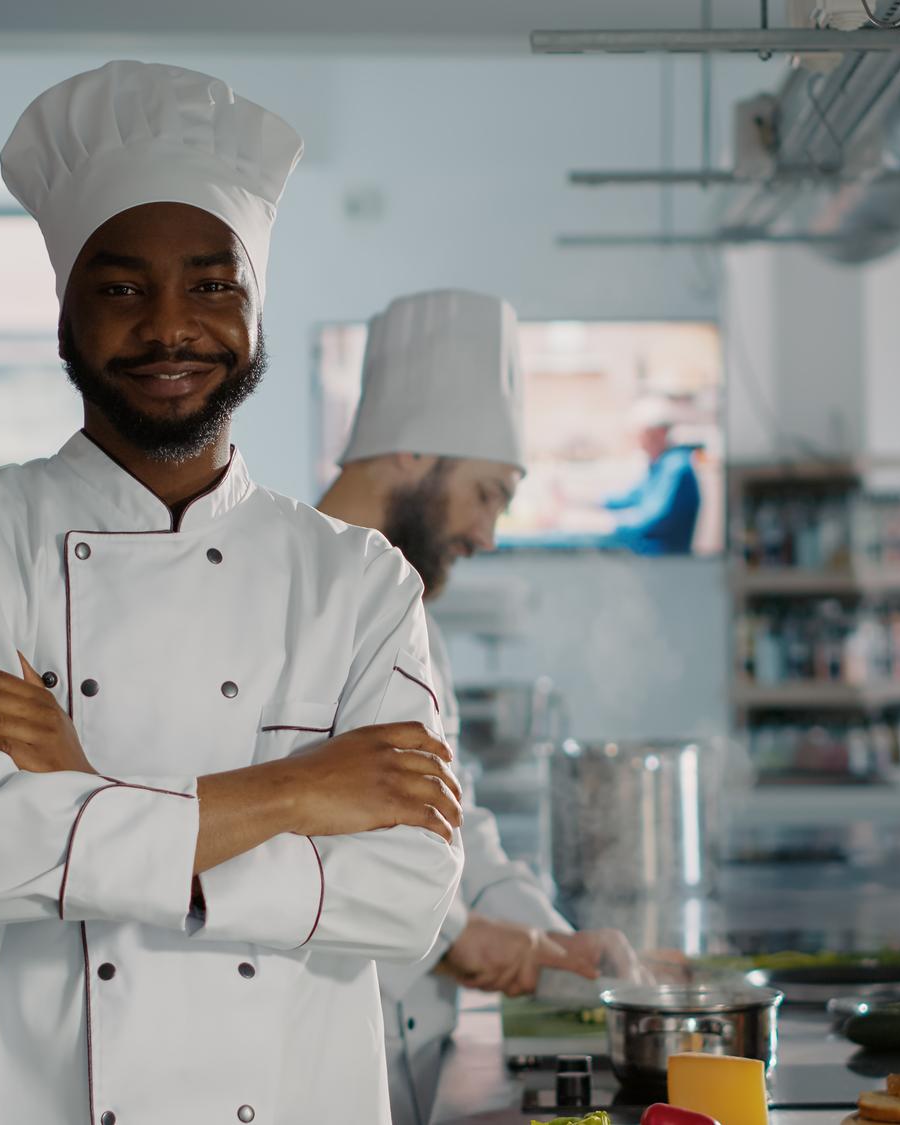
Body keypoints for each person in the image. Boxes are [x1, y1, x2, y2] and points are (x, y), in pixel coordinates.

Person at [0, 63, 466, 1125]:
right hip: (6, 1096)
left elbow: (410, 897)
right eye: (122, 287)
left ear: (254, 303)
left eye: (212, 283)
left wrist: (81, 790)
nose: (170, 327)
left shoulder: (357, 577)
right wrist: (292, 793)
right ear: (66, 311)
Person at [318, 289, 646, 1125]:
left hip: (410, 1047)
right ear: (413, 452)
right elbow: (289, 830)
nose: (490, 533)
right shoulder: (281, 595)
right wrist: (458, 934)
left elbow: (449, 815)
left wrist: (551, 937)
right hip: (313, 1046)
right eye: (489, 493)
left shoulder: (415, 616)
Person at [601, 398, 703, 555]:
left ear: (660, 433)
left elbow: (652, 520)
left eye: (643, 434)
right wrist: (580, 500)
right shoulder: (659, 466)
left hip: (664, 561)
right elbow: (631, 497)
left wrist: (607, 524)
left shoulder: (676, 467)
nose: (640, 442)